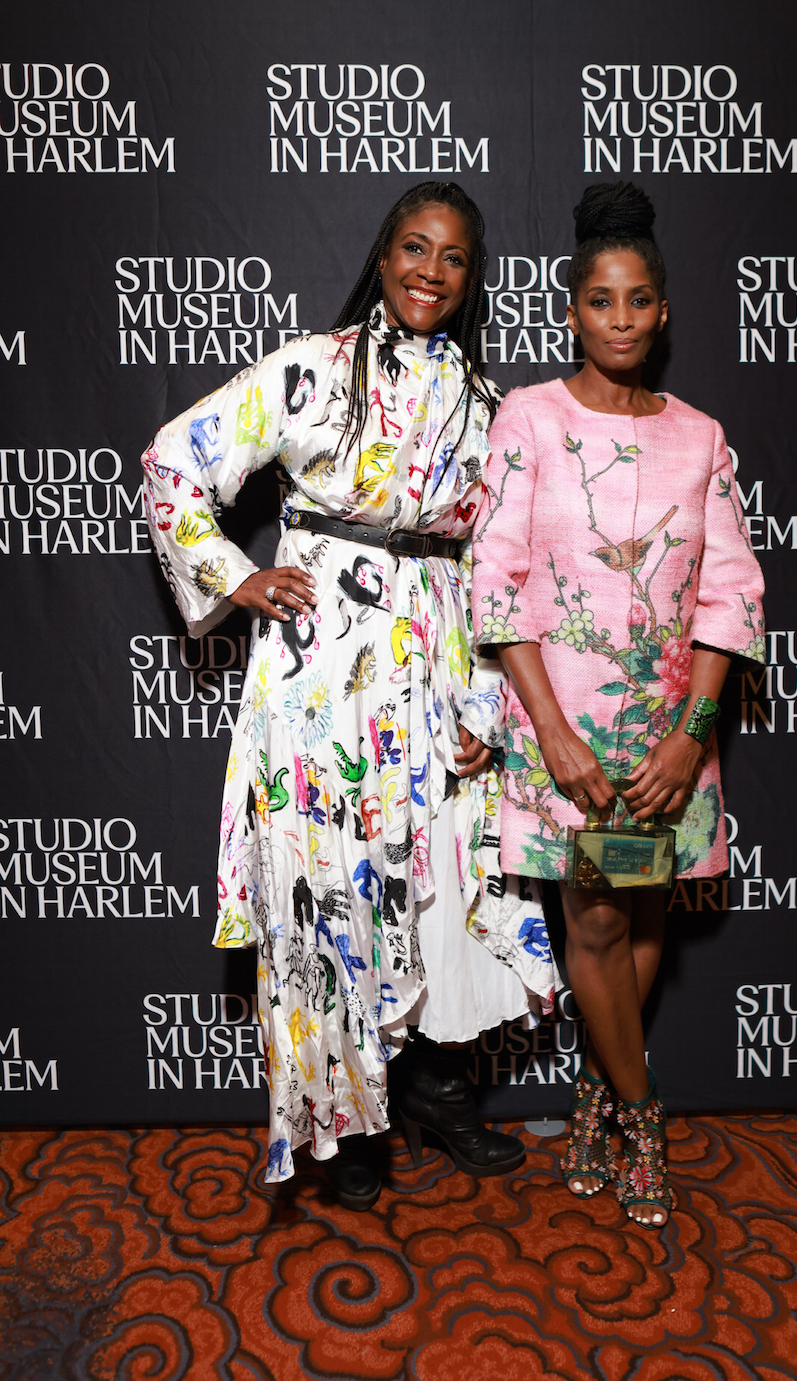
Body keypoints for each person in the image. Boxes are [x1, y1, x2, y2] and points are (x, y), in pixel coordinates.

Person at [142, 181, 556, 1210]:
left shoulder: (490, 405)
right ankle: (349, 1115)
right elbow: (174, 459)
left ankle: (431, 1089)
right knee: (330, 880)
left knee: (440, 873)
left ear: (471, 278)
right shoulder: (314, 368)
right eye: (414, 247)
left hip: (442, 655)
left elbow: (502, 566)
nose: (429, 270)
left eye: (452, 257)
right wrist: (236, 575)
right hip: (324, 665)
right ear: (382, 256)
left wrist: (488, 704)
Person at [472, 183, 765, 1227]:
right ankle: (644, 1116)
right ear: (572, 313)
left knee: (643, 915)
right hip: (569, 733)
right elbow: (496, 582)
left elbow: (732, 593)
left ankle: (595, 1096)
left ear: (664, 309)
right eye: (601, 301)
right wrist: (552, 733)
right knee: (595, 917)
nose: (622, 319)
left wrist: (691, 739)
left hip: (668, 737)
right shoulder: (530, 418)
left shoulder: (700, 437)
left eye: (639, 299)